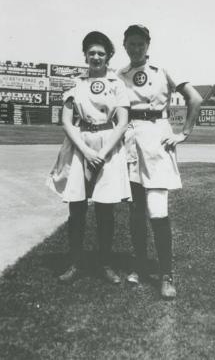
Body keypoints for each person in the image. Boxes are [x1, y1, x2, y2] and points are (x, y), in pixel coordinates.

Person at [118, 24, 202, 299]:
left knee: (157, 210)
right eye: (131, 43)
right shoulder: (120, 75)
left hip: (157, 140)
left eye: (140, 43)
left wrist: (184, 132)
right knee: (135, 212)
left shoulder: (163, 70)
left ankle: (166, 275)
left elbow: (195, 99)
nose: (135, 48)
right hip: (131, 142)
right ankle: (140, 267)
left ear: (148, 45)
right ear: (125, 45)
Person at [48, 31, 131, 283]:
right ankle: (75, 262)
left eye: (101, 53)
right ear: (85, 55)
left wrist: (103, 153)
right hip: (80, 146)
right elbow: (66, 120)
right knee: (77, 209)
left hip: (108, 147)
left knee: (106, 210)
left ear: (108, 57)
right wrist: (85, 151)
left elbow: (123, 121)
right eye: (92, 52)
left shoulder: (117, 83)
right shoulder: (77, 83)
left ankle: (105, 264)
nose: (96, 57)